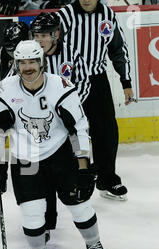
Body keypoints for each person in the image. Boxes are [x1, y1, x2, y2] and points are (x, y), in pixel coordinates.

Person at [0, 40, 112, 249]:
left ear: (41, 62)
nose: (28, 67)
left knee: (80, 204)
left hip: (60, 153)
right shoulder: (3, 91)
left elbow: (79, 128)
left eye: (32, 61)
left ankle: (94, 245)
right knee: (32, 213)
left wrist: (84, 166)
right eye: (22, 63)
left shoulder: (61, 86)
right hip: (25, 158)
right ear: (16, 64)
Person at [57, 0, 135, 201]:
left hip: (97, 79)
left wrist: (126, 81)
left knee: (106, 130)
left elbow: (118, 49)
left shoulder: (107, 15)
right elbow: (50, 46)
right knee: (70, 130)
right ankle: (74, 177)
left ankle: (106, 178)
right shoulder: (64, 15)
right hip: (69, 82)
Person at [29, 12, 91, 242]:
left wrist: (70, 109)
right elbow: (10, 86)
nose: (40, 40)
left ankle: (85, 218)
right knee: (40, 174)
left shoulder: (72, 54)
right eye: (37, 35)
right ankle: (44, 223)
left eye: (45, 35)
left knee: (72, 171)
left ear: (56, 35)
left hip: (67, 127)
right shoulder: (27, 57)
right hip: (39, 128)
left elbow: (83, 83)